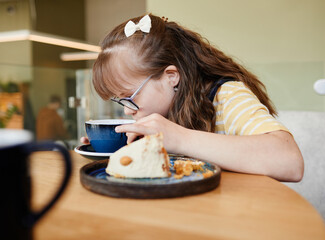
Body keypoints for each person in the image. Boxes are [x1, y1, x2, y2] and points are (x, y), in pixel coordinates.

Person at [86, 14, 304, 182]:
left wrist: (179, 138)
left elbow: (290, 162)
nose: (127, 110)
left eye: (129, 97)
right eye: (119, 100)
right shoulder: (164, 110)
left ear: (171, 77)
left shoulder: (226, 95)